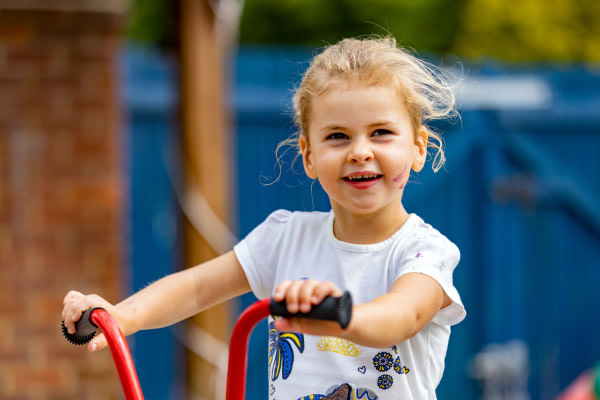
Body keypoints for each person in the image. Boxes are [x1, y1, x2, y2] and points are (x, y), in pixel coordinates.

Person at [62, 36, 466, 399]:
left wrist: (338, 314)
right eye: (337, 136)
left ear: (418, 148)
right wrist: (124, 316)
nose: (360, 151)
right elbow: (198, 287)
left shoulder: (423, 252)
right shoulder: (286, 236)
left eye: (381, 132)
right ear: (309, 156)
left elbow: (403, 315)